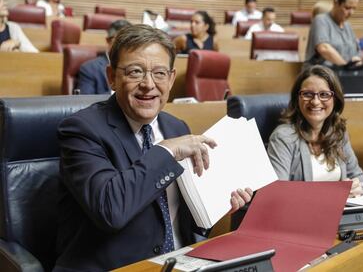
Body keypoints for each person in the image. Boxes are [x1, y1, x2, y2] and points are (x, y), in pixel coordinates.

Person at [55, 24, 253, 271]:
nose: (148, 84)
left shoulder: (176, 127)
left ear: (171, 79)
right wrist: (166, 152)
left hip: (180, 262)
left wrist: (217, 205)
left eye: (159, 73)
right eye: (135, 72)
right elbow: (110, 210)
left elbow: (181, 220)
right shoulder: (81, 129)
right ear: (111, 77)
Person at [267, 65, 363, 198]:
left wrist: (356, 187)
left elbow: (360, 178)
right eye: (307, 94)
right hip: (303, 215)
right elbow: (277, 192)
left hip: (341, 214)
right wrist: (334, 194)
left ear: (335, 99)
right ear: (297, 99)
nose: (315, 101)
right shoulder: (283, 137)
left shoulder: (338, 133)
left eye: (324, 94)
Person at [304, 0, 363, 69]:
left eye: (354, 8)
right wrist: (346, 66)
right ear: (336, 2)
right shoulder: (321, 20)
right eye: (347, 8)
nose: (351, 13)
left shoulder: (348, 26)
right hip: (321, 75)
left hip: (343, 74)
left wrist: (357, 62)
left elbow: (357, 52)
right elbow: (324, 48)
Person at [77, 19, 131, 94]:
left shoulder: (137, 67)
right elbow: (85, 102)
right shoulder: (90, 68)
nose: (125, 44)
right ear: (108, 40)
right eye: (120, 40)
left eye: (129, 41)